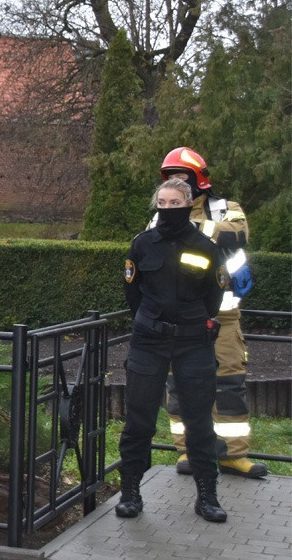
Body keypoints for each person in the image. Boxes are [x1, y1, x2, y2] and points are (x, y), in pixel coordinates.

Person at [118, 178, 227, 523]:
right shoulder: (142, 244)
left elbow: (215, 295)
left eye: (174, 203)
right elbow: (132, 292)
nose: (167, 209)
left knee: (199, 421)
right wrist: (151, 321)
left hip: (193, 341)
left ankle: (206, 496)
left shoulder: (206, 247)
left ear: (189, 203)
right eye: (161, 203)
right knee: (139, 420)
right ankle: (130, 492)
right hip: (149, 341)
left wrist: (192, 322)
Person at [153, 147, 266, 478]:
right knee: (180, 385)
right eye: (171, 178)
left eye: (183, 177)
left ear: (199, 179)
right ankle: (187, 452)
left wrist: (189, 225)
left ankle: (233, 455)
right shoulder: (161, 214)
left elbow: (238, 233)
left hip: (224, 315)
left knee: (230, 384)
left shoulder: (225, 209)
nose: (177, 183)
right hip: (181, 316)